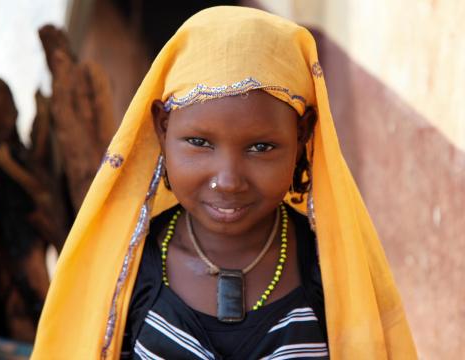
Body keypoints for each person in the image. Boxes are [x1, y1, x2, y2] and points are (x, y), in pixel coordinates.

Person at [31, 6, 417, 360]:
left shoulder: (332, 269)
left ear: (302, 137)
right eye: (200, 143)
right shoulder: (125, 268)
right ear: (162, 128)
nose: (228, 181)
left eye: (261, 147)